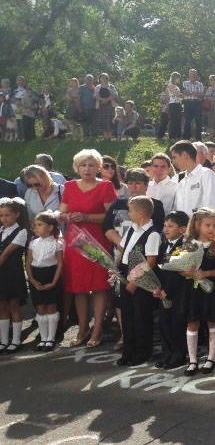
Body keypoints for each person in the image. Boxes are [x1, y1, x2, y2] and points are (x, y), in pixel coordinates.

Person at [59, 149, 117, 347]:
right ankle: (82, 329)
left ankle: (97, 329)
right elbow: (61, 212)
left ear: (98, 167)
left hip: (98, 240)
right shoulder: (69, 186)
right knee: (79, 287)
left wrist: (86, 217)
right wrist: (66, 217)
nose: (87, 169)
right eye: (83, 165)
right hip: (75, 242)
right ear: (76, 167)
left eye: (91, 165)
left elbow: (112, 216)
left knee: (100, 286)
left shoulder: (106, 186)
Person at [181, 208, 215, 376]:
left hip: (211, 290)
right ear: (198, 225)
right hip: (192, 290)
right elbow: (180, 268)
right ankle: (193, 360)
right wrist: (188, 272)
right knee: (192, 322)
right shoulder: (189, 244)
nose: (211, 229)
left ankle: (211, 358)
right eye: (208, 225)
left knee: (212, 321)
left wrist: (206, 273)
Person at [116, 196, 161, 367]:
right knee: (127, 316)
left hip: (141, 280)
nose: (129, 213)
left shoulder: (153, 234)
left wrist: (135, 282)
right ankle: (128, 350)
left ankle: (142, 352)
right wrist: (115, 268)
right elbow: (124, 252)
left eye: (131, 210)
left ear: (141, 212)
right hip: (126, 274)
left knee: (141, 316)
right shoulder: (131, 230)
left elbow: (150, 261)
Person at [155, 210, 189, 369]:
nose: (166, 229)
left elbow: (178, 273)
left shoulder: (185, 246)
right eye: (164, 225)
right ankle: (166, 353)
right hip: (162, 291)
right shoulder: (163, 244)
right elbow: (159, 268)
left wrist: (167, 291)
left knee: (177, 324)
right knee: (163, 323)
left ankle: (178, 355)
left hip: (178, 293)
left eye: (171, 226)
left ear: (182, 229)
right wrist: (156, 287)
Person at [25, 211, 63, 352]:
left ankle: (51, 338)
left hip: (51, 274)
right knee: (40, 308)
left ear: (50, 227)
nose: (36, 227)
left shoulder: (57, 244)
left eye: (40, 225)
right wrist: (33, 280)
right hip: (36, 276)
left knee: (51, 307)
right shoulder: (33, 243)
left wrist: (54, 282)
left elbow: (59, 264)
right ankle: (43, 338)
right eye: (35, 225)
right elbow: (28, 263)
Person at [0, 198, 29, 353]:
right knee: (2, 307)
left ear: (16, 215)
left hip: (13, 273)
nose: (4, 219)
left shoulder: (21, 231)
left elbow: (5, 254)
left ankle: (16, 340)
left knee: (14, 306)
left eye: (7, 215)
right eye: (1, 216)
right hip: (1, 275)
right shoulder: (1, 231)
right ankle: (3, 340)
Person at [170, 140, 215, 217]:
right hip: (184, 227)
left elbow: (211, 207)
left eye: (175, 157)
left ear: (185, 155)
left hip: (200, 227)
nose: (173, 161)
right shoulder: (181, 180)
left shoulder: (206, 174)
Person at [181, 69, 204, 140]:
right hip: (187, 103)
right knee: (187, 121)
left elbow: (201, 95)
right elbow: (184, 92)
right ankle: (186, 138)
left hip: (197, 103)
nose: (193, 76)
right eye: (191, 74)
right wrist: (195, 93)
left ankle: (198, 138)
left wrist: (190, 92)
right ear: (189, 75)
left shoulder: (200, 84)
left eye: (194, 74)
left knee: (198, 121)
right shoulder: (185, 83)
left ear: (196, 75)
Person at [94, 73, 118, 140]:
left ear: (107, 79)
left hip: (110, 105)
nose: (104, 79)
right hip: (100, 105)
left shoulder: (111, 86)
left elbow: (115, 95)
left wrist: (107, 100)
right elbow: (95, 95)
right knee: (103, 120)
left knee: (110, 120)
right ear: (100, 79)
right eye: (102, 77)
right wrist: (102, 100)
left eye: (105, 77)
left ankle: (109, 136)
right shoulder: (97, 87)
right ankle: (105, 136)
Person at [166, 72, 183, 141]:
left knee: (178, 121)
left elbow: (180, 96)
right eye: (178, 78)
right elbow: (177, 94)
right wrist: (186, 94)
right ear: (174, 78)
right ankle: (172, 137)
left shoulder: (177, 86)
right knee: (173, 121)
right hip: (173, 105)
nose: (179, 79)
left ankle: (177, 136)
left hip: (178, 105)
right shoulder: (170, 85)